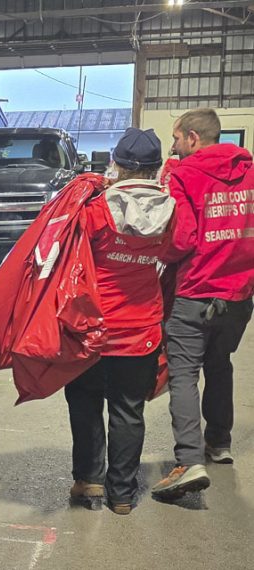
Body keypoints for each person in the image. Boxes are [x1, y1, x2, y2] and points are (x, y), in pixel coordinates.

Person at [65, 128, 174, 515]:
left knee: (84, 401)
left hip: (93, 329)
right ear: (156, 168)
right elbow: (178, 251)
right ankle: (123, 496)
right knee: (129, 411)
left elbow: (70, 259)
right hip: (141, 330)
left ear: (118, 164)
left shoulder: (95, 211)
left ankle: (89, 481)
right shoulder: (171, 213)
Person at [151, 108, 254, 500]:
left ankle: (188, 460)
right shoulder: (249, 172)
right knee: (220, 364)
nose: (173, 147)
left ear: (193, 138)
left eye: (176, 139)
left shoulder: (184, 175)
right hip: (239, 297)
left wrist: (157, 252)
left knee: (183, 374)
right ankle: (220, 443)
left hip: (196, 291)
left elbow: (182, 241)